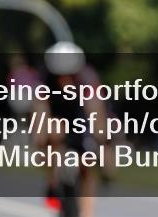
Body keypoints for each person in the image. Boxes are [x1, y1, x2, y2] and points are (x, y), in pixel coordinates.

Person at [33, 42, 109, 217]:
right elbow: (39, 110)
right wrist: (41, 139)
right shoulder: (44, 80)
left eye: (70, 76)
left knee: (89, 160)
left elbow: (96, 109)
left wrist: (101, 138)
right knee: (52, 132)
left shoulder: (88, 78)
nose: (64, 81)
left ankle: (88, 211)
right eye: (59, 76)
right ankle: (52, 179)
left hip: (80, 115)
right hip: (56, 115)